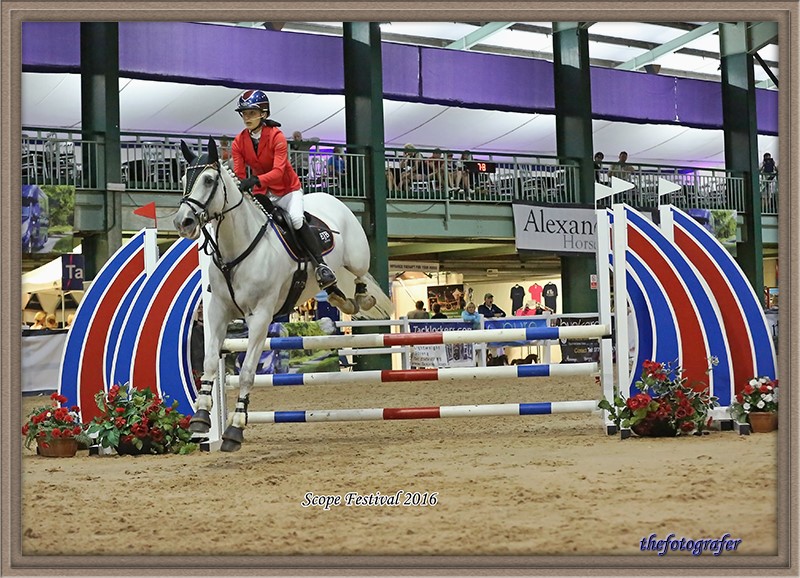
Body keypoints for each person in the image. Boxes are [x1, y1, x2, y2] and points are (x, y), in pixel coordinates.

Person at [231, 89, 336, 289]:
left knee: (296, 219)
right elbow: (239, 173)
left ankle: (321, 266)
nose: (247, 118)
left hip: (287, 190)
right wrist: (242, 186)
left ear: (263, 113)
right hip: (262, 193)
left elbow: (279, 171)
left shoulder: (276, 136)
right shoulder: (239, 141)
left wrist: (254, 181)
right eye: (244, 113)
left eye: (251, 113)